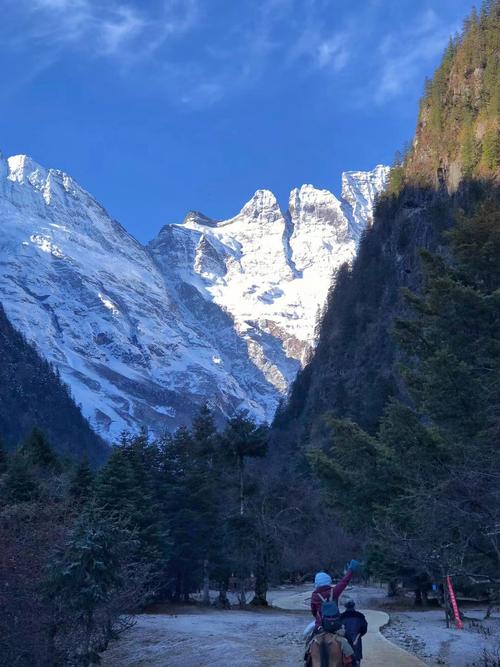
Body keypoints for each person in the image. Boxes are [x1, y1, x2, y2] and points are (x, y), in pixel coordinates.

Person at [310, 560, 360, 629]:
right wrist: (350, 570)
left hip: (320, 625)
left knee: (308, 637)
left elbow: (313, 611)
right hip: (336, 624)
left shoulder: (314, 595)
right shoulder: (334, 591)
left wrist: (318, 618)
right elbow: (344, 582)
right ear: (328, 581)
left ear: (316, 583)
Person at [340, 599, 368, 666]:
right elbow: (364, 629)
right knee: (356, 661)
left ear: (345, 607)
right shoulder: (360, 616)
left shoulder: (341, 617)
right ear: (354, 606)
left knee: (344, 661)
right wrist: (358, 635)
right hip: (356, 641)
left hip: (344, 642)